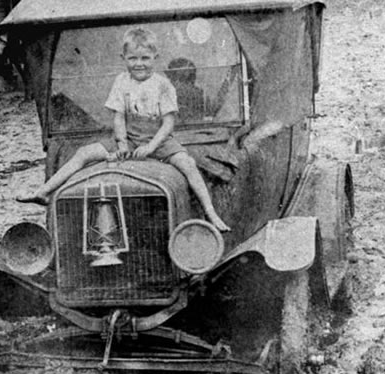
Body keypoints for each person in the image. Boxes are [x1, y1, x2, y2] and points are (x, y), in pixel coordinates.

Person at [17, 27, 230, 232]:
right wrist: (122, 143)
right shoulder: (121, 81)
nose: (139, 64)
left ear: (155, 57)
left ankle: (210, 212)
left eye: (145, 58)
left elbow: (168, 123)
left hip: (158, 138)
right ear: (124, 58)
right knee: (84, 153)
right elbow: (118, 117)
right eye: (133, 58)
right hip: (128, 136)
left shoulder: (163, 84)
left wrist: (150, 147)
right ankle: (43, 192)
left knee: (188, 163)